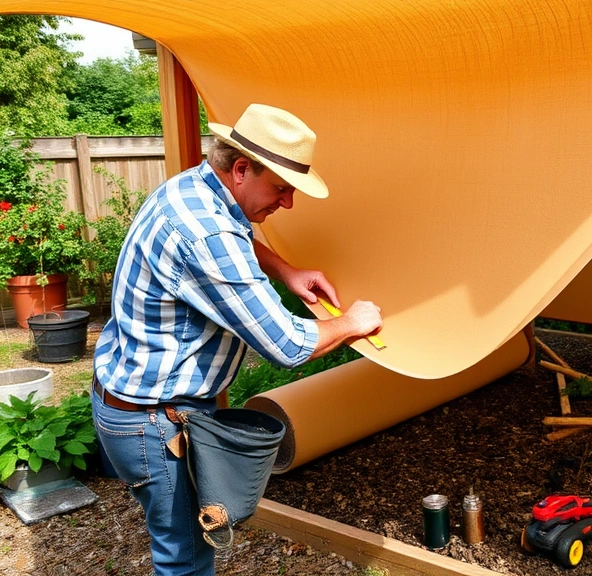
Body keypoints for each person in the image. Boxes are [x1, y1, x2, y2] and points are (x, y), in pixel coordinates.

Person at [91, 103, 382, 576]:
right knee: (184, 556)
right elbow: (287, 345)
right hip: (154, 423)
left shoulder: (194, 188)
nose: (287, 204)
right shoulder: (205, 233)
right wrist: (351, 322)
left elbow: (237, 234)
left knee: (182, 543)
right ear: (242, 168)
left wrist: (286, 270)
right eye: (281, 189)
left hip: (135, 396)